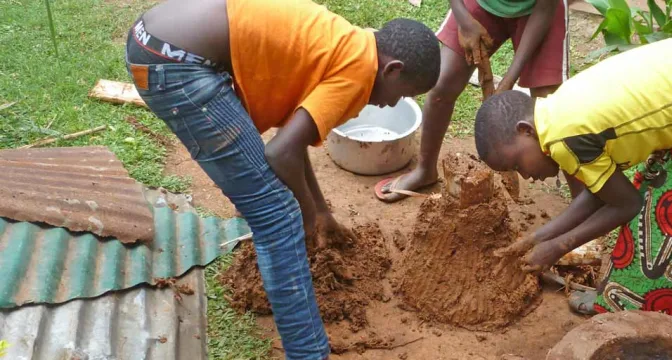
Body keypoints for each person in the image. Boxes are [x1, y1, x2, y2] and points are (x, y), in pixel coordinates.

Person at [124, 0, 440, 357]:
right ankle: (308, 353)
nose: (392, 104)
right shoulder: (358, 72)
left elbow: (293, 136)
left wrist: (320, 211)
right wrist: (306, 215)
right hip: (176, 63)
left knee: (282, 207)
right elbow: (280, 153)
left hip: (158, 39)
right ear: (393, 70)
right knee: (279, 216)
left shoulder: (351, 43)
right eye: (402, 94)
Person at [475, 33, 672, 319]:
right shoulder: (556, 112)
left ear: (525, 130)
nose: (526, 176)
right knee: (660, 187)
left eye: (518, 164)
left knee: (669, 213)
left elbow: (627, 204)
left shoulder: (562, 138)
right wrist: (539, 237)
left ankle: (641, 306)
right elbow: (602, 192)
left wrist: (558, 247)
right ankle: (648, 302)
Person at [374, 0, 569, 202]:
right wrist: (465, 21)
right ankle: (425, 170)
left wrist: (510, 79)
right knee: (442, 85)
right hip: (481, 4)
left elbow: (545, 8)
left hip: (540, 11)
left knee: (554, 115)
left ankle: (584, 201)